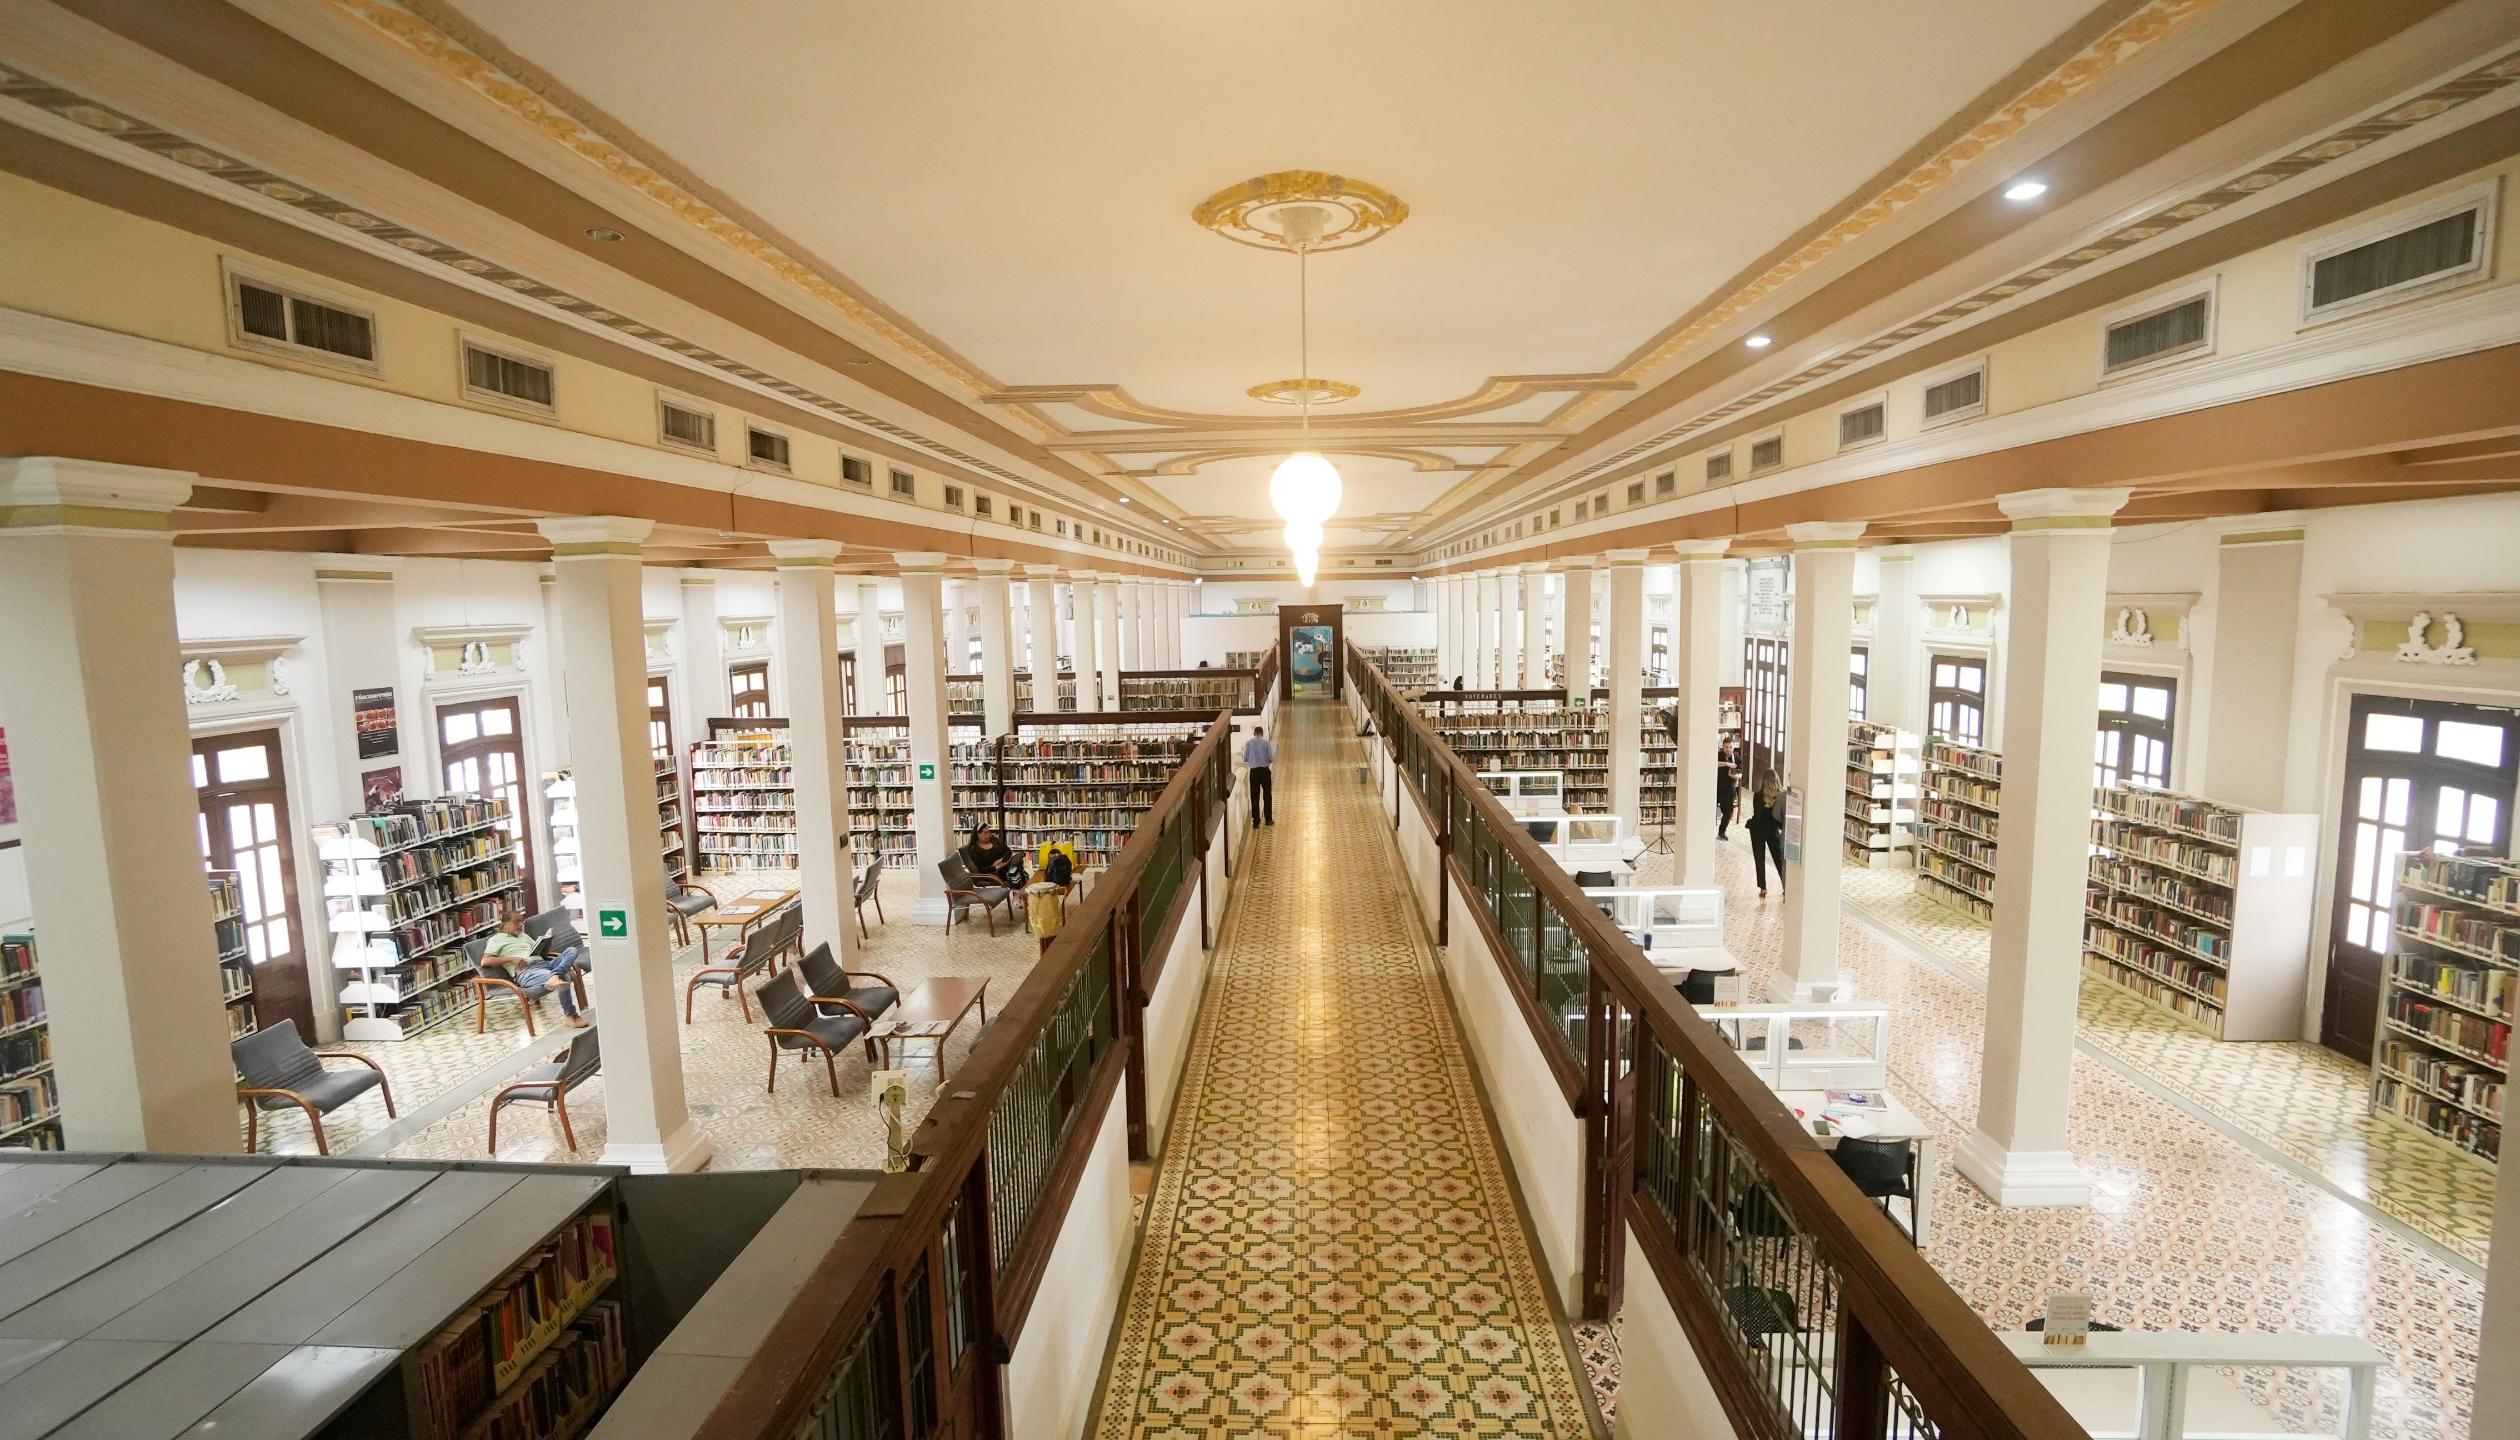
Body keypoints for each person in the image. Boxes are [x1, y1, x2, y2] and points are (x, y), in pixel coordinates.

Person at [483, 910, 588, 1027]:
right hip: (527, 971)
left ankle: (555, 975)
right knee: (565, 976)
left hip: (545, 964)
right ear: (504, 925)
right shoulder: (495, 940)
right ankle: (570, 1015)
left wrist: (548, 940)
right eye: (516, 922)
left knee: (571, 950)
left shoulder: (524, 936)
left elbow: (541, 954)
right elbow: (485, 961)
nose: (520, 925)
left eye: (521, 922)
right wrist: (511, 959)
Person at [1745, 775, 1787, 899]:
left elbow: (1757, 816)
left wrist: (1750, 823)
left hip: (1758, 831)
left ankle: (1763, 888)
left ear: (1764, 780)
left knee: (1759, 859)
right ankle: (1786, 886)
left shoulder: (1758, 795)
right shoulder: (1780, 796)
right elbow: (1779, 817)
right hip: (1773, 831)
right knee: (1779, 860)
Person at [960, 824, 1026, 889]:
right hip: (994, 872)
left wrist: (1002, 860)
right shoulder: (974, 849)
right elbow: (982, 869)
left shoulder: (994, 840)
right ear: (978, 834)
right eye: (986, 832)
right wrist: (997, 867)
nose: (989, 834)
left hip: (1006, 863)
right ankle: (1015, 879)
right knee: (1016, 864)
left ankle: (1014, 875)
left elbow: (1008, 851)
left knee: (1019, 856)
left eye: (989, 832)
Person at [1242, 725, 1276, 826]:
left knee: (1254, 796)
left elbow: (1245, 759)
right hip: (1264, 771)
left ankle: (1256, 821)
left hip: (1254, 772)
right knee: (1267, 796)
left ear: (1254, 734)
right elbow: (1271, 758)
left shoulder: (1248, 743)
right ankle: (1268, 819)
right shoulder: (1266, 743)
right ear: (1262, 733)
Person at [1715, 743, 1740, 840]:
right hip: (1717, 788)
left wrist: (1733, 775)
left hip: (1730, 789)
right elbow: (1713, 763)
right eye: (1726, 747)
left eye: (1730, 747)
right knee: (1711, 810)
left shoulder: (1737, 758)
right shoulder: (1718, 755)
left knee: (1728, 811)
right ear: (1723, 747)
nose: (1728, 749)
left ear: (1733, 748)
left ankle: (1722, 832)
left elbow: (1740, 774)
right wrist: (1726, 764)